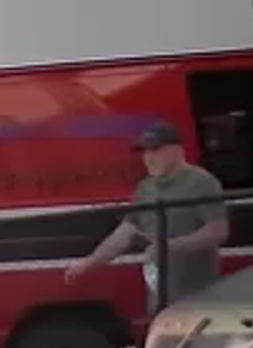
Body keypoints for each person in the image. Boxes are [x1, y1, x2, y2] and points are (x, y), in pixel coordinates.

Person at [65, 120, 229, 312]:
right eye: (145, 152)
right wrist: (89, 262)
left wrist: (173, 246)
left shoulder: (202, 182)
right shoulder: (145, 187)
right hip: (159, 298)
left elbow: (218, 230)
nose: (148, 158)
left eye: (155, 150)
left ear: (176, 150)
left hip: (196, 295)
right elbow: (126, 232)